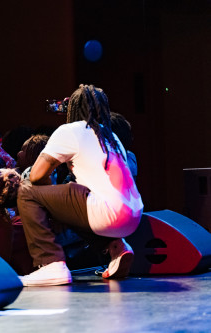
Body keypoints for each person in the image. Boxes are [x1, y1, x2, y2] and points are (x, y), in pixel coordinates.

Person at [17, 84, 144, 286]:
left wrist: (49, 205)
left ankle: (50, 264)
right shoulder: (112, 136)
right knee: (73, 197)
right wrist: (56, 208)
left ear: (73, 109)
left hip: (106, 213)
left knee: (26, 191)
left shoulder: (71, 130)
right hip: (133, 216)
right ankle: (116, 247)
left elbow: (36, 175)